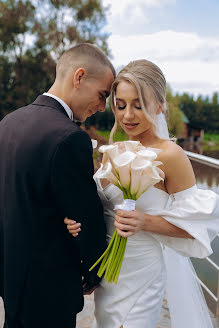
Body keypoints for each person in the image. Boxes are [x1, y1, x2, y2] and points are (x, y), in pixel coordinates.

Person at [65, 59, 219, 328]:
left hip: (142, 273)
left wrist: (144, 222)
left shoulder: (172, 156)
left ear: (159, 104)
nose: (127, 115)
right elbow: (100, 211)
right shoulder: (113, 152)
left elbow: (195, 225)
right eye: (121, 105)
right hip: (107, 275)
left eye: (139, 105)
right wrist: (74, 221)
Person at [0, 43, 115, 328]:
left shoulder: (7, 124)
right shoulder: (68, 137)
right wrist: (94, 271)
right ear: (79, 77)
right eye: (102, 95)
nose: (102, 107)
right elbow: (85, 215)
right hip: (48, 288)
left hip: (10, 277)